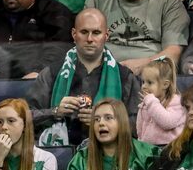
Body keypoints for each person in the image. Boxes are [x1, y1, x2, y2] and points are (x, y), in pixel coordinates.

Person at [26, 8, 141, 146]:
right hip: (59, 157)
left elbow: (140, 125)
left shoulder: (125, 77)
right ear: (74, 34)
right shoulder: (52, 73)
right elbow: (25, 116)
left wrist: (103, 121)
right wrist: (55, 112)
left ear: (106, 35)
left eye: (96, 33)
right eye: (84, 32)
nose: (90, 39)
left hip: (109, 157)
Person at [84, 0, 190, 75]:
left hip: (151, 77)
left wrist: (147, 64)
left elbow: (173, 53)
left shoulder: (169, 2)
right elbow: (84, 46)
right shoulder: (97, 0)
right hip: (103, 74)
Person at [63, 98, 159, 170]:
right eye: (96, 119)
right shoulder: (81, 160)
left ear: (122, 122)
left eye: (108, 118)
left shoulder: (147, 154)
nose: (101, 123)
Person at [137, 57, 186, 145]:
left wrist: (151, 102)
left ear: (165, 84)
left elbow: (168, 123)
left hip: (170, 148)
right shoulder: (148, 102)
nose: (144, 86)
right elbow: (140, 128)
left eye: (150, 82)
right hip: (149, 148)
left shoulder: (176, 101)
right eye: (143, 82)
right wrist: (141, 142)